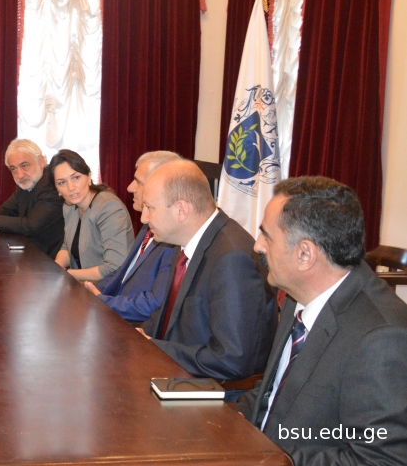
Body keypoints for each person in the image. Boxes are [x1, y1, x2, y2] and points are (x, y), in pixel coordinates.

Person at [236, 177, 407, 465]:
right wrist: (222, 425)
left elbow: (380, 460)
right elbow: (272, 394)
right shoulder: (299, 295)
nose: (257, 246)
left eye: (267, 236)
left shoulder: (381, 339)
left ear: (305, 254)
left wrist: (269, 457)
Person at [138, 159, 277, 381]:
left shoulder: (232, 259)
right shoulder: (184, 239)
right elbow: (168, 313)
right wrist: (138, 338)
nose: (143, 217)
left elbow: (231, 359)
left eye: (150, 208)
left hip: (210, 390)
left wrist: (154, 348)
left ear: (181, 210)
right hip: (176, 370)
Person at [81, 151, 179, 323]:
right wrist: (88, 291)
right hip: (111, 312)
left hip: (132, 326)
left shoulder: (173, 238)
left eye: (138, 182)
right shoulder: (147, 224)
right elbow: (122, 273)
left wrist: (103, 301)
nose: (130, 187)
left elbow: (155, 303)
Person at [0, 139, 64, 258]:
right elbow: (7, 209)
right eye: (13, 168)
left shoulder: (51, 185)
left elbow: (31, 226)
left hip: (51, 260)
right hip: (30, 254)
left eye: (24, 166)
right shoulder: (27, 182)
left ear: (40, 161)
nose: (20, 175)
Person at [50, 149, 134, 281]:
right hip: (82, 285)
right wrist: (55, 268)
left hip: (109, 288)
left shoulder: (109, 207)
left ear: (89, 177)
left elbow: (115, 267)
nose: (71, 187)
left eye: (76, 178)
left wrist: (68, 274)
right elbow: (67, 246)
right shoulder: (69, 206)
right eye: (62, 182)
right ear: (57, 188)